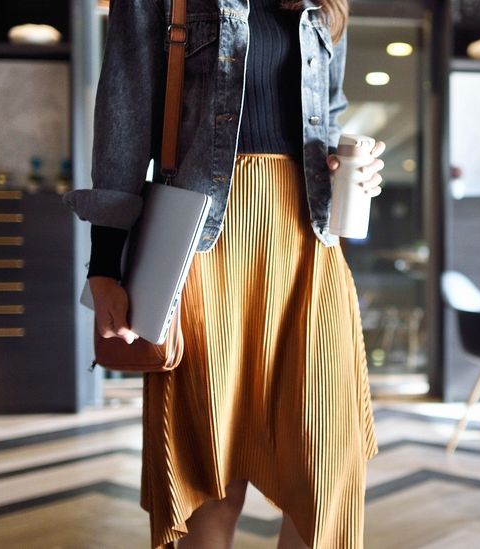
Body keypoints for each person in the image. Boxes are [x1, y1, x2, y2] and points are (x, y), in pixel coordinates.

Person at [63, 0, 383, 547]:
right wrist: (105, 264)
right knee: (209, 477)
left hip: (306, 248)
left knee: (326, 472)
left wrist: (350, 165)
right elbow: (125, 114)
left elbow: (326, 115)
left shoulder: (327, 4)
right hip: (202, 247)